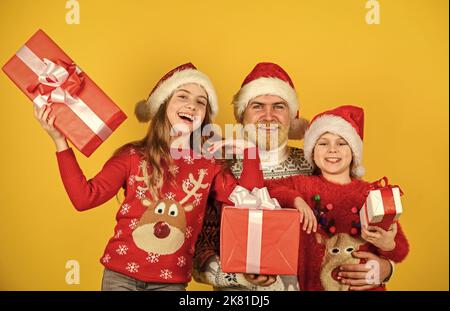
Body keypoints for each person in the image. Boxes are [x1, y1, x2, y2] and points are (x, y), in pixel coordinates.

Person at [33, 63, 261, 291]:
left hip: (171, 283)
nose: (192, 106)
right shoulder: (132, 156)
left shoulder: (209, 166)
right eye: (183, 96)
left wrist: (250, 153)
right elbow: (84, 198)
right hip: (120, 277)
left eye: (201, 102)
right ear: (164, 105)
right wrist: (59, 142)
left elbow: (250, 205)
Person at [251, 105, 410, 290]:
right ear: (312, 151)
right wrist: (296, 199)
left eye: (342, 143)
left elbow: (401, 251)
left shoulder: (371, 193)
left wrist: (387, 244)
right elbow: (268, 188)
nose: (332, 149)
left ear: (354, 153)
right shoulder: (303, 185)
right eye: (323, 143)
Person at [193, 62, 311, 291]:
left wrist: (384, 264)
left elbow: (339, 233)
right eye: (257, 106)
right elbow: (197, 252)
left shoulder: (313, 163)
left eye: (279, 106)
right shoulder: (218, 167)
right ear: (241, 116)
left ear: (292, 115)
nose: (268, 116)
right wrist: (240, 276)